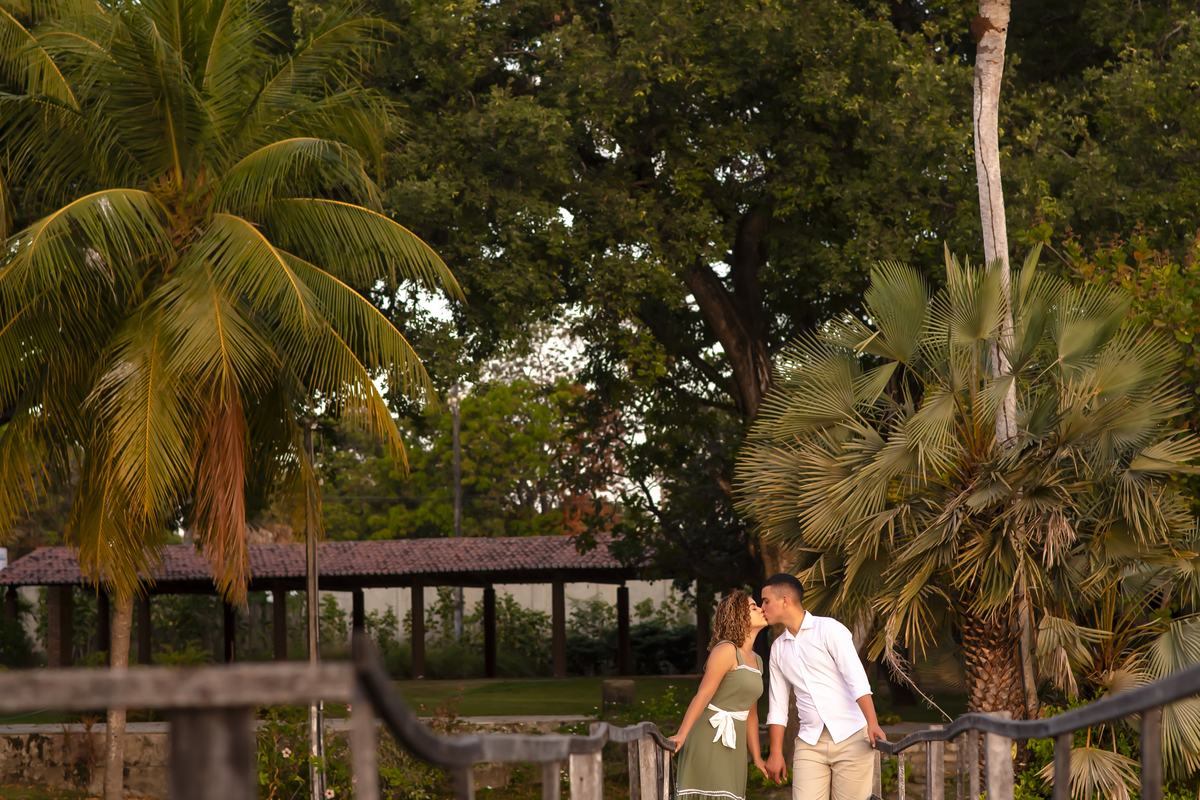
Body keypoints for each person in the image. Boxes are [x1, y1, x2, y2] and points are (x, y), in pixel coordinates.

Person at [760, 573, 887, 800]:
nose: (762, 607)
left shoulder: (829, 629)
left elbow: (856, 678)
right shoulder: (778, 649)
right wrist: (776, 752)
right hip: (810, 742)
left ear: (785, 600)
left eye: (766, 601)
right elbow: (777, 705)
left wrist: (872, 722)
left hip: (852, 736)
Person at [669, 590, 770, 800]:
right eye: (753, 607)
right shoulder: (726, 650)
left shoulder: (757, 661)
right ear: (738, 617)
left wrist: (757, 757)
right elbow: (703, 695)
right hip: (708, 737)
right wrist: (682, 734)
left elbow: (751, 714)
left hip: (735, 746)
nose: (761, 609)